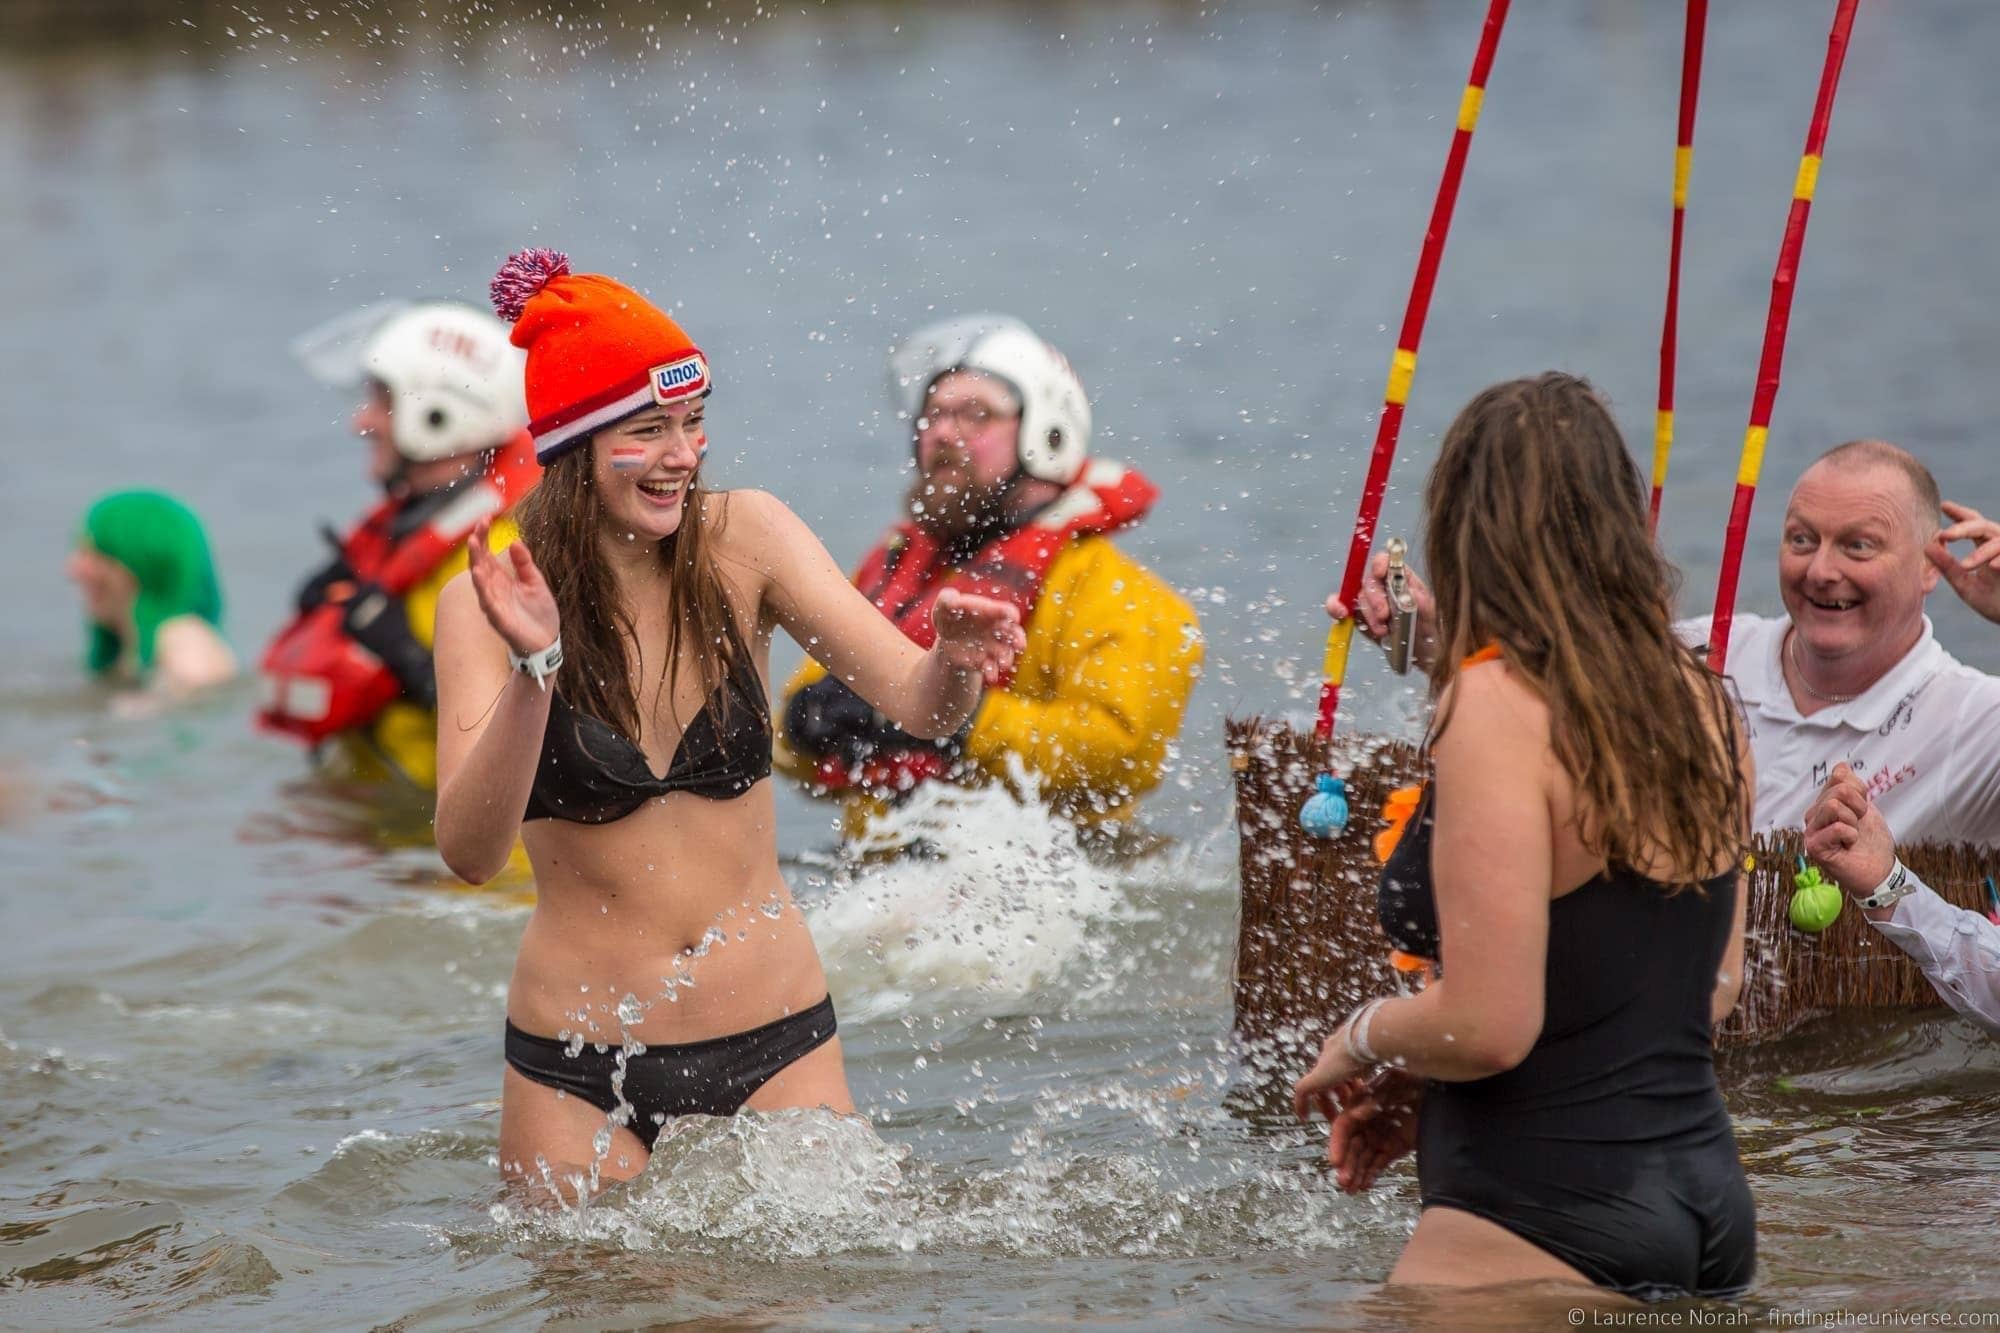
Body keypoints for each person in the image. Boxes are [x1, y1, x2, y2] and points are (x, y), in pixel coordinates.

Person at [432, 250, 1024, 1193]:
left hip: (777, 1048)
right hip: (575, 1071)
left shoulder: (746, 538)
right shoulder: (487, 602)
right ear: (573, 444)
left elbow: (916, 703)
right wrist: (537, 667)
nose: (682, 455)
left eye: (695, 424)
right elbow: (469, 850)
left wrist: (955, 663)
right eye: (650, 429)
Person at [1296, 373, 1756, 1300]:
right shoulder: (1703, 697)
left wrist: (1362, 1039)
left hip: (1540, 1215)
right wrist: (1429, 1086)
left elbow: (1491, 1023)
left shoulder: (1495, 707)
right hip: (1707, 1201)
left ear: (1469, 530)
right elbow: (1709, 986)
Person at [1346, 440, 2000, 846]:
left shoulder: (1972, 719)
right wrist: (1433, 636)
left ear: (1929, 568)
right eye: (1802, 539)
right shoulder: (1703, 654)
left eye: (1858, 545)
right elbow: (1542, 695)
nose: (1821, 570)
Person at [773, 314, 1202, 831]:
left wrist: (948, 722)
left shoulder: (1123, 597)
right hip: (882, 874)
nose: (944, 433)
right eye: (933, 415)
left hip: (1054, 877)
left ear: (1048, 430)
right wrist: (804, 722)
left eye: (976, 415)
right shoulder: (888, 570)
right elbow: (788, 755)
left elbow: (1122, 757)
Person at [259, 301, 540, 790]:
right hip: (387, 830)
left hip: (471, 858)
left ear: (439, 413)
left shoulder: (503, 554)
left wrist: (408, 660)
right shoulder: (401, 531)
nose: (361, 423)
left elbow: (537, 725)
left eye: (381, 403)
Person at [68, 490, 236, 700]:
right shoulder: (129, 653)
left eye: (95, 555)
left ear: (145, 562)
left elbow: (194, 697)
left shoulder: (182, 639)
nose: (73, 570)